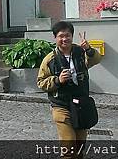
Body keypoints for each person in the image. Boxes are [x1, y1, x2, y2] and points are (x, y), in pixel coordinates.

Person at [37, 21, 102, 158]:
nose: (64, 39)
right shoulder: (50, 59)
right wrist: (57, 80)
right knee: (68, 147)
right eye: (61, 36)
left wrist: (89, 49)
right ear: (55, 38)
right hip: (61, 106)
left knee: (80, 147)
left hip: (81, 105)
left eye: (67, 35)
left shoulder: (80, 52)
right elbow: (41, 82)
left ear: (72, 36)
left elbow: (96, 60)